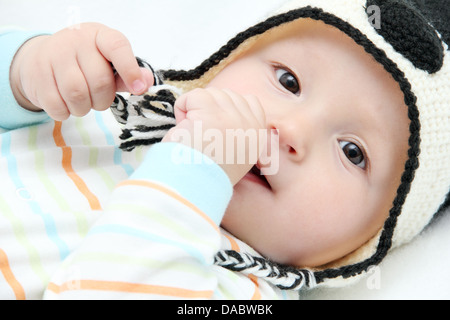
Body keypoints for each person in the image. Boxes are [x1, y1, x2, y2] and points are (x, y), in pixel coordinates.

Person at [1, 0, 448, 299]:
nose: (289, 129)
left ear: (368, 244)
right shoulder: (126, 111)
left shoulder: (243, 291)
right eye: (287, 81)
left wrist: (193, 173)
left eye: (353, 152)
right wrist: (28, 72)